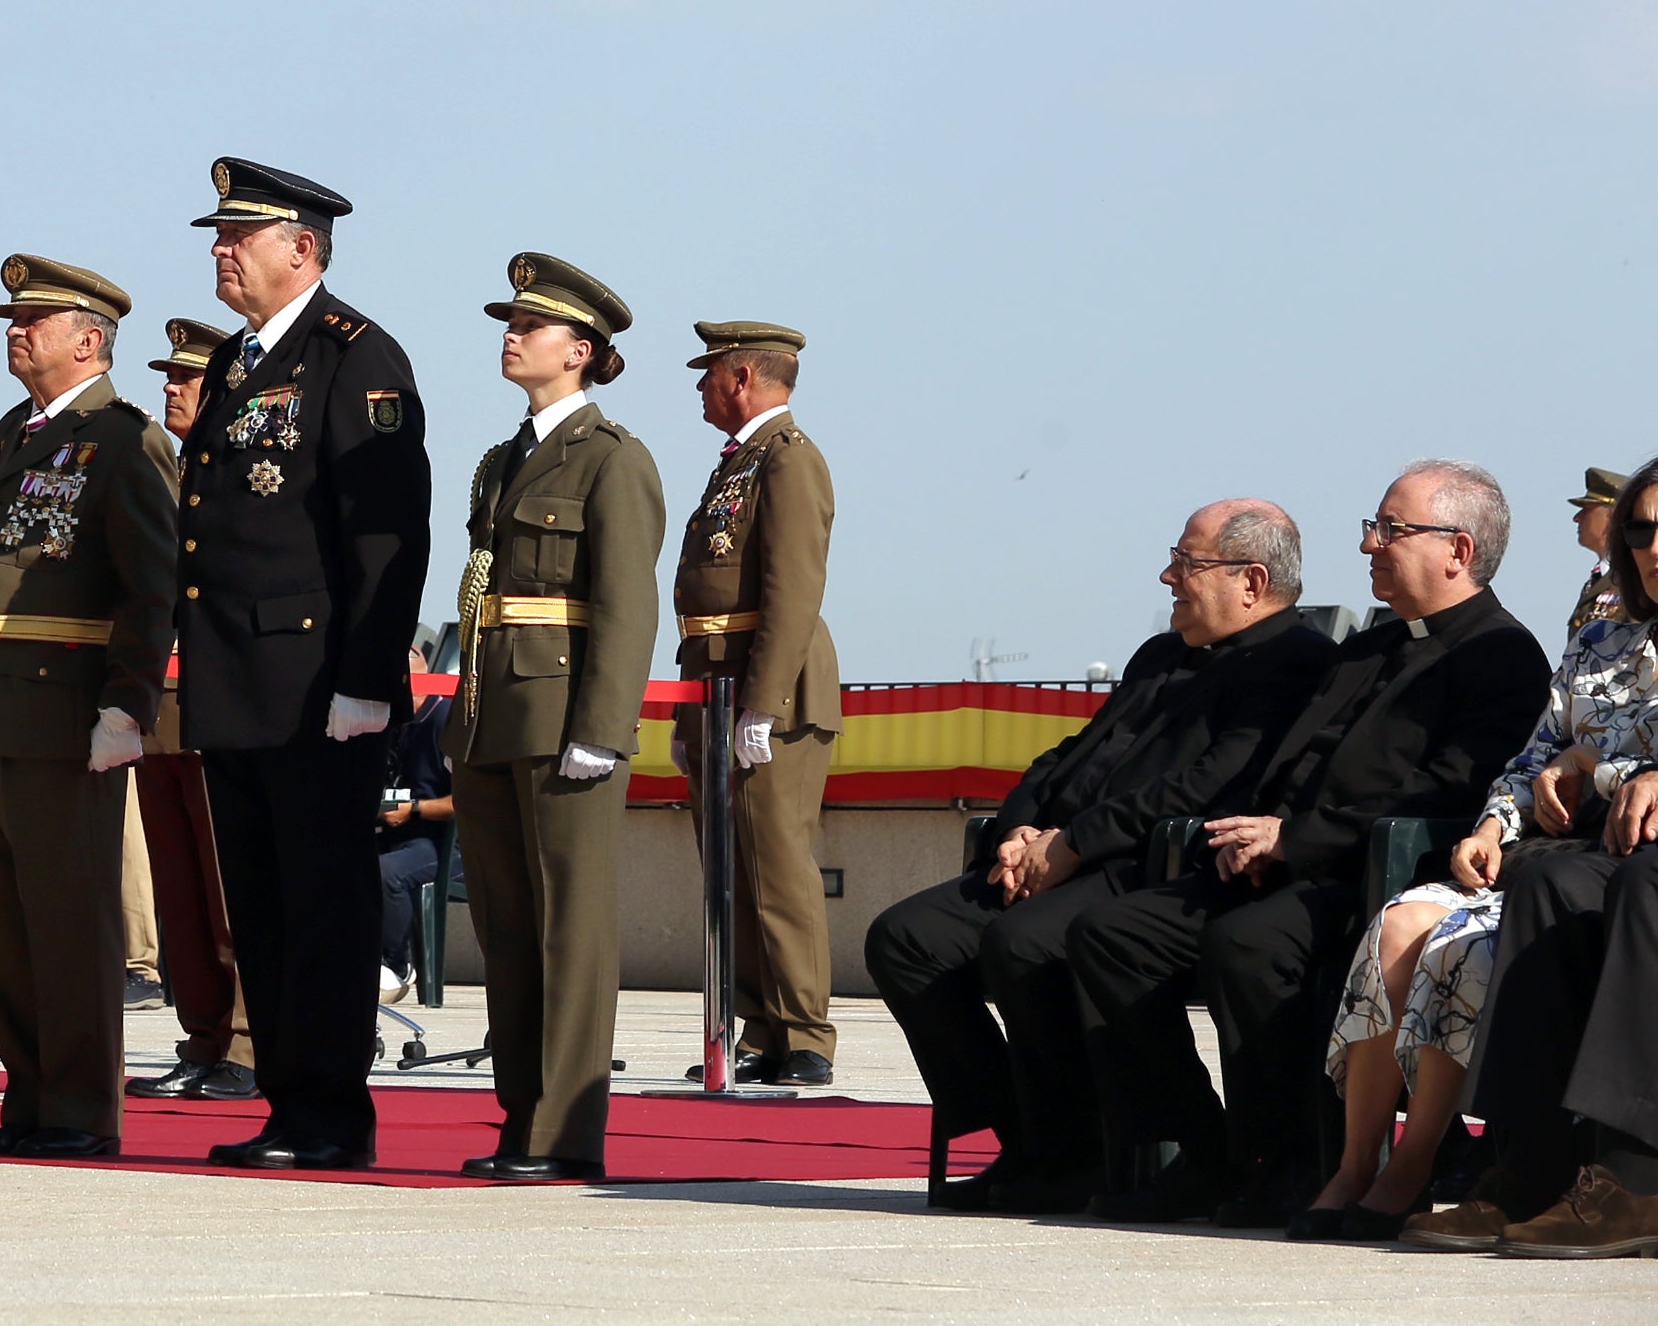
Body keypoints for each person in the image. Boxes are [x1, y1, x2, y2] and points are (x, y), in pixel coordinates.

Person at [1065, 460, 1549, 1226]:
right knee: (1107, 936)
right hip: (1277, 861)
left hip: (1367, 874)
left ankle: (1289, 1156)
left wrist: (1296, 839)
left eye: (1391, 530)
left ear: (1457, 551)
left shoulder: (1500, 655)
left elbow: (1447, 796)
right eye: (1373, 526)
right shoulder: (1366, 643)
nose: (1368, 546)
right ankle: (1205, 1148)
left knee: (1247, 946)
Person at [867, 500, 1330, 1213]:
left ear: (1250, 580)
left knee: (1023, 945)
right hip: (1052, 855)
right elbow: (1069, 757)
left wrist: (1075, 843)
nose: (1166, 576)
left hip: (1143, 867)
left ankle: (1093, 1152)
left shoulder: (1294, 664)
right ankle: (1027, 1136)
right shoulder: (1160, 653)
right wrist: (1018, 834)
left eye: (1187, 563)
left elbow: (1208, 786)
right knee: (906, 938)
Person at [1308, 461, 1658, 1241]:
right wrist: (1492, 827)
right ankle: (1528, 1165)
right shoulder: (1601, 641)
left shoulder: (1500, 649)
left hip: (1633, 859)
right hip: (1577, 850)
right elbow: (1534, 756)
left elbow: (1597, 766)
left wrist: (1600, 769)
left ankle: (1633, 1176)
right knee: (1503, 897)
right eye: (1640, 529)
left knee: (1609, 884)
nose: (1654, 547)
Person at [173, 160, 431, 1174]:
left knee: (324, 906)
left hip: (319, 688)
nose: (220, 251)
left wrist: (369, 680)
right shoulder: (239, 360)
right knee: (264, 910)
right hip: (236, 680)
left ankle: (332, 1109)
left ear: (303, 248)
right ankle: (287, 1101)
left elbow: (386, 536)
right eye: (218, 235)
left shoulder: (356, 357)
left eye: (241, 234)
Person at [0, 255, 178, 1160]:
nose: (15, 329)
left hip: (58, 713)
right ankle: (29, 1099)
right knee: (0, 926)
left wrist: (128, 705)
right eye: (12, 317)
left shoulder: (123, 438)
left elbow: (154, 586)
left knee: (69, 922)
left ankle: (79, 1109)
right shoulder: (6, 434)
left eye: (35, 318)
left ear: (89, 338)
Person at [445, 253, 662, 1185]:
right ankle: (519, 1115)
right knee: (504, 925)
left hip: (561, 714)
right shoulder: (504, 460)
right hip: (492, 713)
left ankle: (564, 1129)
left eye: (529, 326)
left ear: (579, 351)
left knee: (567, 929)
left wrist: (601, 727)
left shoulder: (612, 459)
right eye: (509, 323)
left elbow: (625, 604)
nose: (511, 336)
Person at [673, 321, 843, 1086]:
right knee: (729, 871)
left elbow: (793, 589)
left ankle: (805, 1033)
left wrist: (762, 706)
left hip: (767, 690)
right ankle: (756, 1028)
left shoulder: (789, 460)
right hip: (715, 686)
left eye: (707, 375)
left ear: (740, 378)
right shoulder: (738, 464)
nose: (699, 390)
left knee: (776, 868)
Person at [129, 316, 255, 1103]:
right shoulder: (162, 467)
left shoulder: (234, 471)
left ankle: (245, 1038)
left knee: (226, 885)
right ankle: (203, 1035)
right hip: (160, 700)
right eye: (167, 377)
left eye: (186, 378)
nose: (170, 389)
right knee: (178, 891)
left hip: (218, 698)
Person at [375, 687, 455, 1007]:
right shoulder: (391, 726)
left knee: (385, 873)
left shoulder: (442, 719)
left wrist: (416, 808)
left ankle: (395, 963)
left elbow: (469, 799)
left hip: (442, 843)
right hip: (396, 833)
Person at [1570, 468, 1630, 636]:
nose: (1577, 517)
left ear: (1613, 517)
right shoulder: (1597, 580)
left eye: (1587, 509)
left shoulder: (1633, 580)